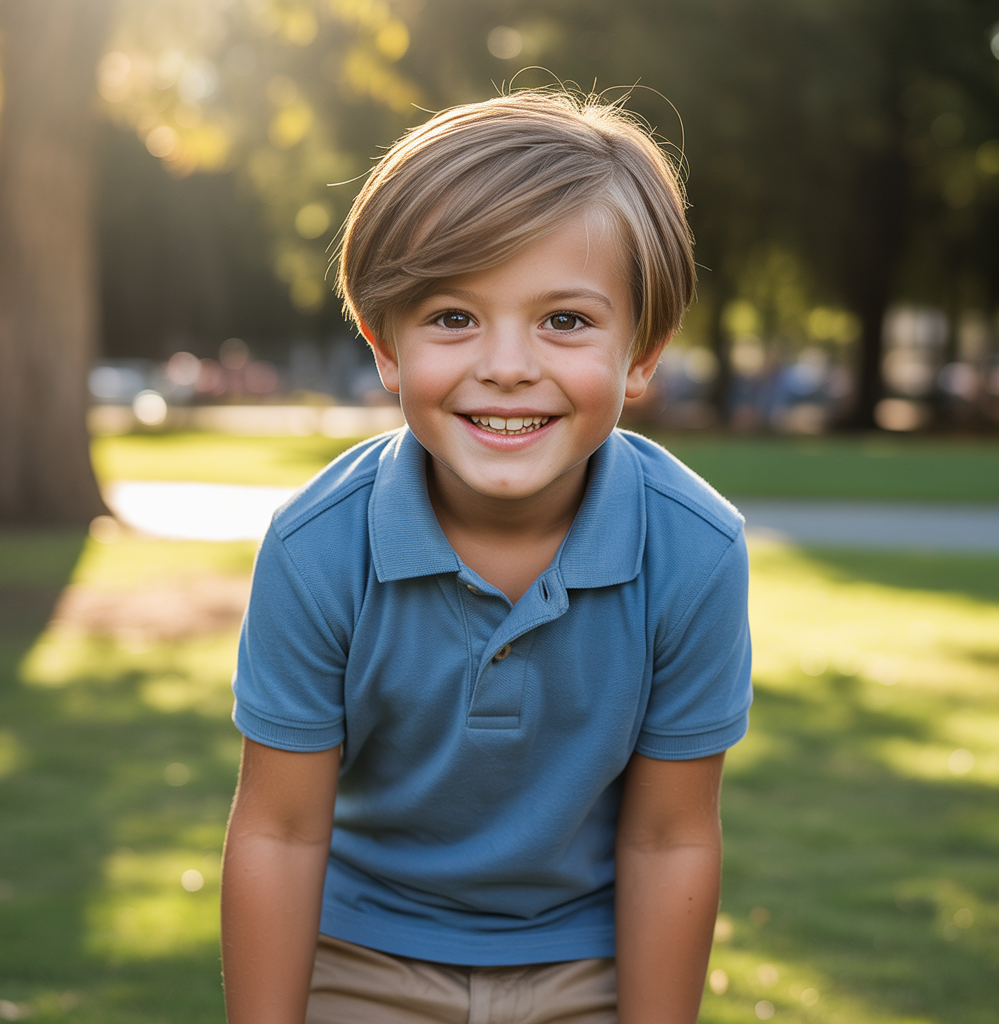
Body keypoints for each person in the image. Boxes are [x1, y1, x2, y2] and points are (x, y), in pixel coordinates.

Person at [221, 89, 752, 1024]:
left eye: (566, 321)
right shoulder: (317, 548)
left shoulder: (695, 551)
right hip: (362, 951)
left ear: (643, 352)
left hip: (590, 957)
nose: (508, 364)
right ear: (385, 347)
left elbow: (670, 839)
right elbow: (282, 828)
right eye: (455, 317)